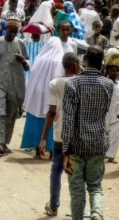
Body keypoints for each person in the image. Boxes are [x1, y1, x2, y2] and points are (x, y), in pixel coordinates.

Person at [61, 46, 114, 220]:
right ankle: (97, 214)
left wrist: (65, 150)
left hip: (76, 144)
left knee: (77, 189)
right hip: (98, 142)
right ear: (101, 63)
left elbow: (68, 119)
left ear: (84, 60)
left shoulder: (73, 84)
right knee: (95, 186)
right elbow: (104, 112)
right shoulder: (109, 84)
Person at [39, 52, 81, 216]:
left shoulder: (55, 83)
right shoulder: (81, 82)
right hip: (78, 134)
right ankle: (77, 209)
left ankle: (54, 205)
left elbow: (51, 112)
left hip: (60, 134)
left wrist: (43, 137)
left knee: (56, 169)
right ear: (76, 65)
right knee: (76, 171)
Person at [0, 18, 29, 154]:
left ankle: (5, 143)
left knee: (11, 114)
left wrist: (23, 61)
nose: (12, 35)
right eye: (10, 32)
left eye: (15, 32)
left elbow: (27, 65)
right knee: (1, 112)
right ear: (6, 30)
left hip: (16, 84)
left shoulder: (21, 43)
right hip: (0, 83)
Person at [103, 47, 119, 163]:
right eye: (112, 70)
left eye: (116, 70)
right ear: (106, 70)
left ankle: (111, 156)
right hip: (105, 113)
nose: (114, 72)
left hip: (116, 113)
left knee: (115, 134)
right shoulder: (103, 83)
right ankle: (103, 153)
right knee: (104, 133)